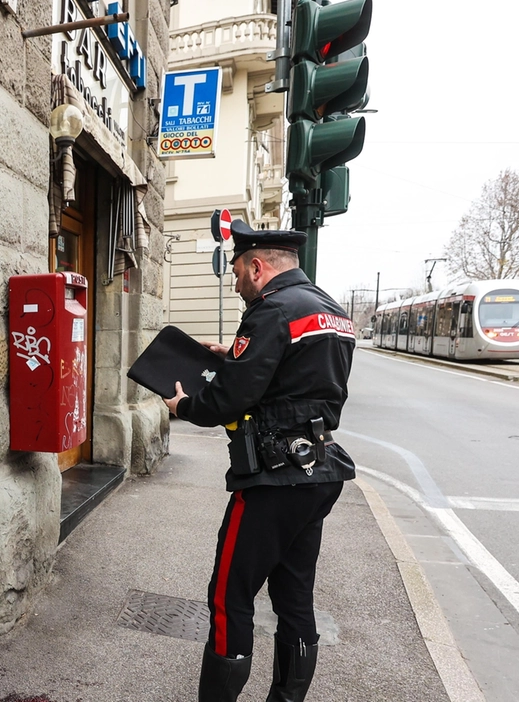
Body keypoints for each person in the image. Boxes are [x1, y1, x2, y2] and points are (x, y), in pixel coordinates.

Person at [163, 220, 358, 702]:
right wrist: (238, 354)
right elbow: (298, 378)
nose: (234, 282)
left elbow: (227, 402)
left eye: (235, 272)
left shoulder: (271, 311)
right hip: (319, 471)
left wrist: (185, 406)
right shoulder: (331, 311)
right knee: (294, 598)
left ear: (257, 266)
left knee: (230, 596)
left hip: (272, 478)